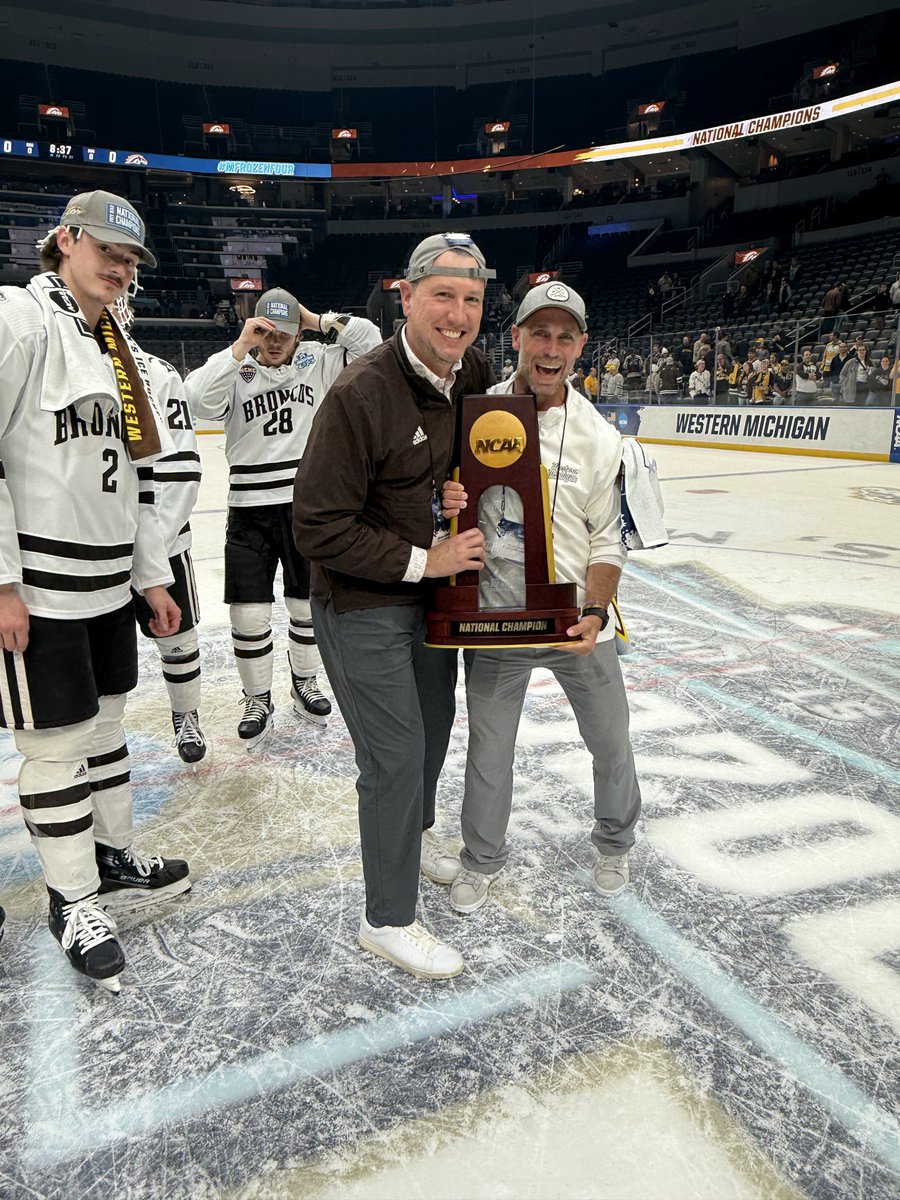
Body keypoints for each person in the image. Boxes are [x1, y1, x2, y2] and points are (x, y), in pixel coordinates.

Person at [0, 190, 190, 992]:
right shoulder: (17, 317)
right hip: (38, 586)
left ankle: (110, 858)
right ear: (65, 240)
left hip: (109, 581)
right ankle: (71, 898)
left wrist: (149, 574)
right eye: (107, 251)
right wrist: (1, 579)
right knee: (53, 745)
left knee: (108, 724)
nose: (119, 268)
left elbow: (140, 477)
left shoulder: (118, 345)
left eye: (130, 260)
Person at [293, 232, 496, 979]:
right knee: (395, 756)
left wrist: (447, 490)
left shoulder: (469, 368)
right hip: (360, 602)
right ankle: (386, 917)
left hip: (427, 600)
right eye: (442, 294)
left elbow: (455, 455)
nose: (457, 313)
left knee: (435, 730)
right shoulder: (360, 392)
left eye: (472, 299)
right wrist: (427, 555)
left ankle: (414, 843)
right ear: (404, 297)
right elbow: (317, 526)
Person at [440, 282, 641, 913]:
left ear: (581, 346)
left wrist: (594, 610)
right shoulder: (474, 413)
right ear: (518, 338)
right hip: (499, 620)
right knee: (489, 751)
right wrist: (441, 503)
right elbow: (443, 501)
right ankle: (481, 859)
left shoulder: (599, 436)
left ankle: (614, 842)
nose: (550, 348)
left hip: (578, 624)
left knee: (611, 743)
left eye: (564, 336)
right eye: (539, 333)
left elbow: (609, 541)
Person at [184, 288, 381, 745]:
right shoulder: (237, 369)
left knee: (304, 607)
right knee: (249, 616)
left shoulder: (318, 359)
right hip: (248, 510)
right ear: (255, 329)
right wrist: (239, 346)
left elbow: (372, 343)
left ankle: (304, 682)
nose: (275, 342)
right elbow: (195, 400)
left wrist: (314, 317)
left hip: (306, 507)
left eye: (284, 333)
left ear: (298, 333)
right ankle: (257, 697)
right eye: (266, 332)